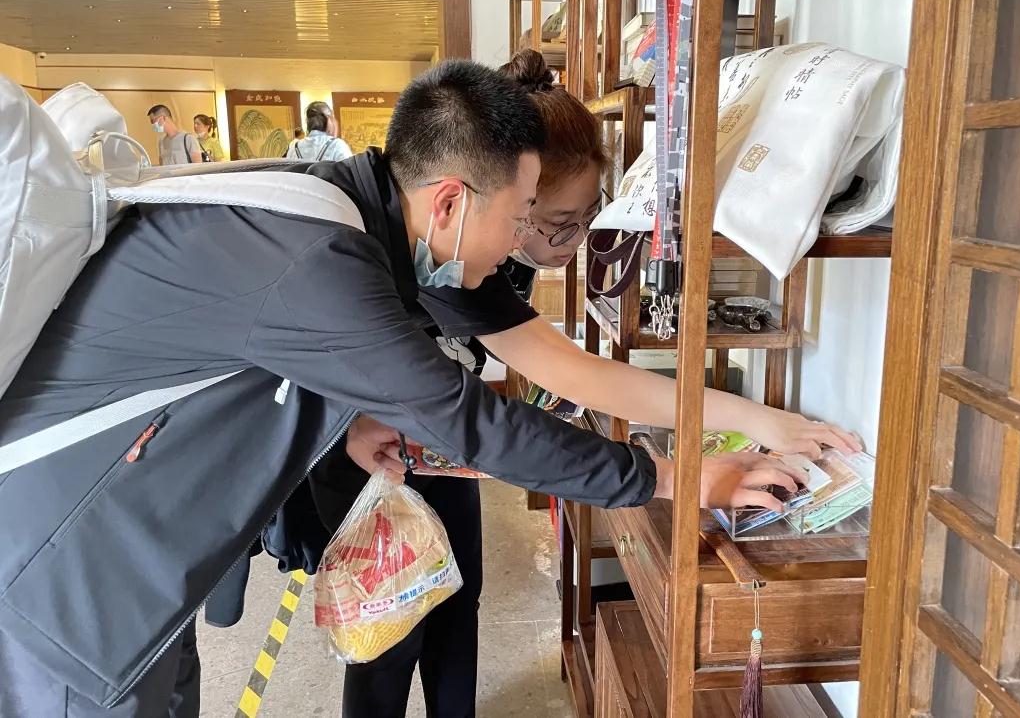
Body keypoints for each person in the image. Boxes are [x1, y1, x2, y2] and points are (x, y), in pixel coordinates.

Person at [0, 59, 803, 718]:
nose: (517, 243)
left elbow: (243, 349)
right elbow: (473, 422)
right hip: (69, 568)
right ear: (450, 200)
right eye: (521, 214)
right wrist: (680, 477)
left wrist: (347, 422)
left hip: (128, 548)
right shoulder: (322, 259)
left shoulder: (334, 209)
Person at [317, 50, 860, 718]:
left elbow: (566, 379)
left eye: (587, 217)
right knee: (387, 628)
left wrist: (755, 419)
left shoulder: (480, 255)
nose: (574, 241)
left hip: (435, 447)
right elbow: (535, 397)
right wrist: (694, 463)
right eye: (550, 221)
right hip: (373, 453)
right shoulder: (432, 251)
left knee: (457, 600)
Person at [285, 100, 353, 161]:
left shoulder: (293, 147)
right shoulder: (337, 145)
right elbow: (350, 169)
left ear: (307, 122)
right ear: (329, 120)